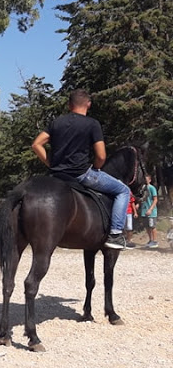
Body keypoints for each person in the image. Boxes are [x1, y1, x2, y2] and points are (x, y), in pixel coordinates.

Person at [31, 89, 130, 249]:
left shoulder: (56, 123)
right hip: (81, 174)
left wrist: (50, 163)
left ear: (69, 105)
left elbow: (36, 144)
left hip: (56, 175)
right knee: (123, 191)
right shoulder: (92, 124)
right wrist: (97, 168)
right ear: (88, 104)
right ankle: (116, 234)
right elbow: (101, 156)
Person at [140, 174, 158, 248]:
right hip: (144, 210)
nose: (145, 180)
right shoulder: (143, 188)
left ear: (150, 180)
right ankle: (150, 240)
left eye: (147, 179)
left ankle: (154, 241)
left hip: (151, 211)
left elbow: (155, 199)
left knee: (152, 226)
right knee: (147, 226)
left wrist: (150, 209)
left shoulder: (152, 188)